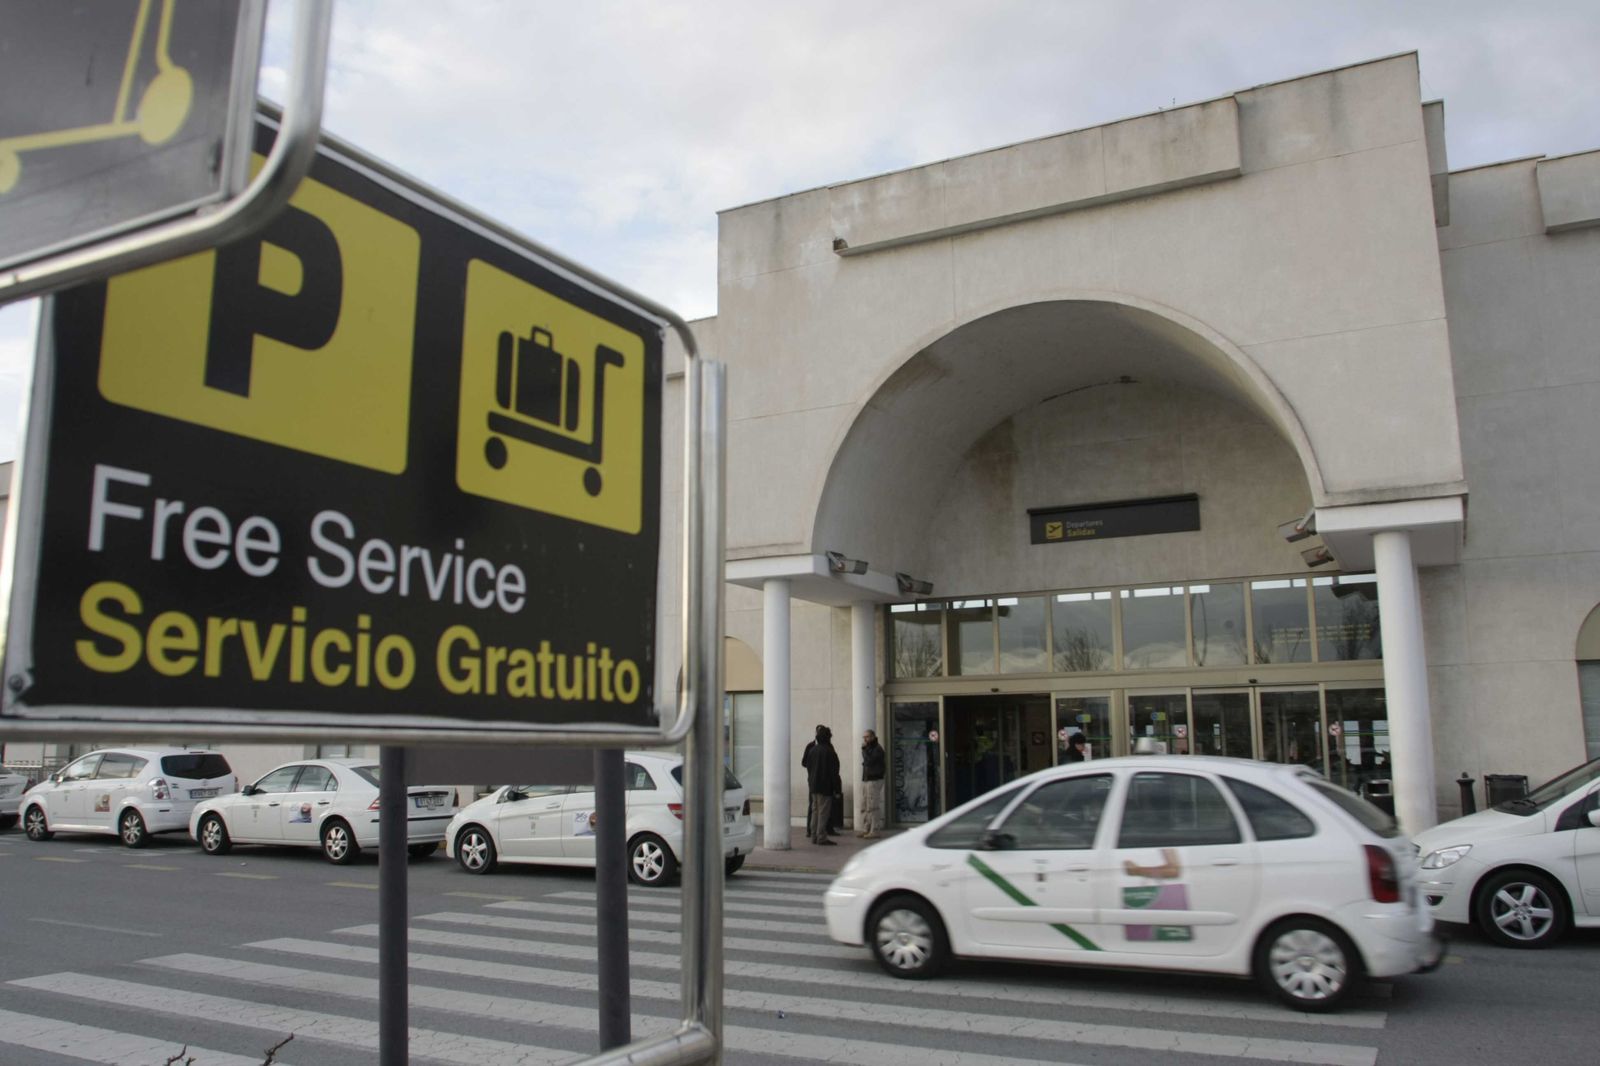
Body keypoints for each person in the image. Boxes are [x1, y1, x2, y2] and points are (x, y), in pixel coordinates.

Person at [801, 724, 841, 845]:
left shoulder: (812, 750)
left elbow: (808, 766)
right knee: (823, 812)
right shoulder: (830, 752)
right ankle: (821, 836)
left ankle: (814, 835)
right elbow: (834, 773)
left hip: (813, 785)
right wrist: (837, 789)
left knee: (815, 811)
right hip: (825, 787)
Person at [859, 729, 886, 838]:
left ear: (873, 737)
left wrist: (864, 750)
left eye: (867, 737)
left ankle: (875, 830)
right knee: (865, 805)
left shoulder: (877, 749)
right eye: (864, 737)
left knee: (873, 806)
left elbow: (869, 761)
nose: (865, 739)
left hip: (874, 779)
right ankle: (866, 828)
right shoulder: (869, 749)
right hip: (867, 779)